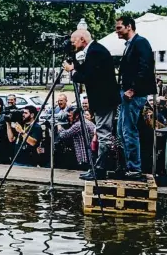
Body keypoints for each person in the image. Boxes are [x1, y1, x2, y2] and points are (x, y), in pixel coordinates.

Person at [63, 29, 121, 180]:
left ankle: (100, 169)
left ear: (82, 39)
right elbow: (85, 69)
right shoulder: (93, 51)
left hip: (104, 100)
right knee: (102, 132)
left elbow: (88, 77)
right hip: (102, 99)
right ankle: (98, 167)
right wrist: (73, 60)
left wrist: (72, 72)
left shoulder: (96, 52)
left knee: (103, 134)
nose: (72, 44)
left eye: (74, 41)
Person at [115, 16, 157, 178]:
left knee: (128, 131)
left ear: (129, 27)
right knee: (121, 131)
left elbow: (145, 67)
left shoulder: (140, 43)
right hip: (128, 93)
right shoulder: (133, 44)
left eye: (119, 27)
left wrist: (132, 89)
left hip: (133, 94)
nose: (117, 31)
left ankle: (134, 168)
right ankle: (129, 166)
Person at [58, 107, 97, 176]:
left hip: (84, 157)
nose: (69, 118)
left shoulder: (78, 124)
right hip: (91, 155)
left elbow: (64, 135)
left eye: (70, 116)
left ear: (77, 115)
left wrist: (59, 128)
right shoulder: (87, 122)